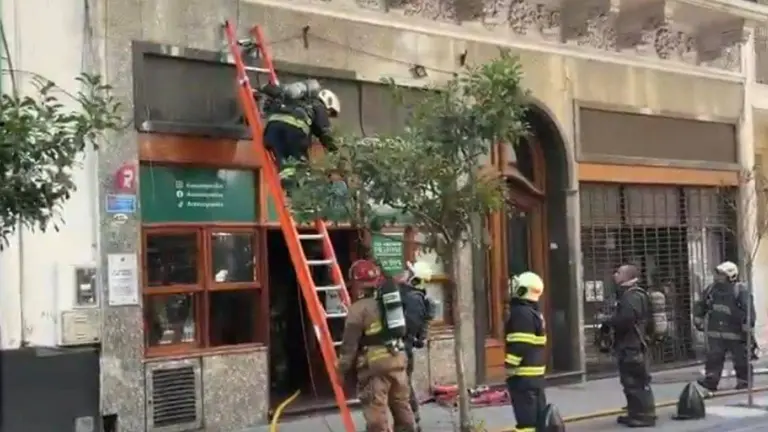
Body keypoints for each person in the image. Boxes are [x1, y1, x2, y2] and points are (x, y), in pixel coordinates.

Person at [336, 260, 416, 432]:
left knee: (376, 414)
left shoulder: (357, 309)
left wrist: (341, 371)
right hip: (398, 360)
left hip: (375, 367)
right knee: (402, 406)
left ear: (357, 283)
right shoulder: (389, 302)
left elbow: (349, 346)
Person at [601, 264, 656, 427]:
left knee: (635, 381)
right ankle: (636, 412)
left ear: (627, 276)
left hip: (631, 346)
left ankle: (644, 416)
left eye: (618, 272)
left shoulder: (631, 296)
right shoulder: (634, 295)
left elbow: (626, 320)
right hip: (632, 344)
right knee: (631, 381)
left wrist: (608, 322)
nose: (614, 275)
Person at [259, 79, 339, 184]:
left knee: (284, 164)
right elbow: (324, 132)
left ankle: (288, 185)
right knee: (300, 166)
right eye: (330, 112)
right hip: (293, 132)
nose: (328, 115)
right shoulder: (318, 106)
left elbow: (272, 93)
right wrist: (335, 149)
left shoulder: (292, 100)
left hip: (272, 130)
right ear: (327, 103)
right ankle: (296, 191)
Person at [694, 261, 755, 392]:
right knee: (713, 358)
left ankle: (744, 381)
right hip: (715, 332)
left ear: (730, 276)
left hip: (736, 333)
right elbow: (701, 304)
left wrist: (748, 325)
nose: (718, 277)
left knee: (740, 359)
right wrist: (698, 317)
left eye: (721, 274)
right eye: (718, 274)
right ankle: (711, 381)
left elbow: (748, 309)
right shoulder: (711, 289)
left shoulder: (740, 290)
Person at [505, 271, 548, 432]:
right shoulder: (534, 312)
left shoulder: (521, 312)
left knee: (526, 421)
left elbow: (520, 343)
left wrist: (510, 365)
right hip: (534, 375)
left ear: (523, 291)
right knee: (536, 417)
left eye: (516, 286)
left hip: (523, 376)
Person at [398, 261, 437, 431]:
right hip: (404, 348)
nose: (406, 275)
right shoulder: (409, 295)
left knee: (403, 386)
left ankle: (414, 420)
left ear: (415, 279)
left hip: (403, 348)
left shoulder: (414, 300)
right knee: (402, 385)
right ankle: (413, 420)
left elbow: (409, 327)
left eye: (409, 273)